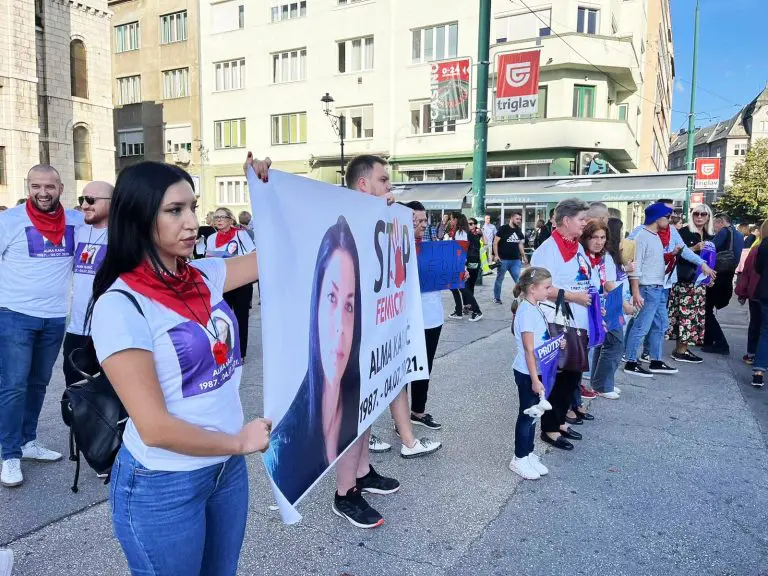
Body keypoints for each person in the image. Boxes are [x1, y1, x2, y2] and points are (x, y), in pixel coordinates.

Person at [88, 160, 272, 575]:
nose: (192, 222)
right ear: (138, 217)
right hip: (163, 481)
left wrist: (267, 193)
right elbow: (154, 427)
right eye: (175, 210)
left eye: (194, 207)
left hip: (224, 470)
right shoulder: (121, 305)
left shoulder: (203, 276)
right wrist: (239, 443)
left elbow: (280, 252)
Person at [264, 216, 362, 505]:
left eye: (349, 306)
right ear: (314, 303)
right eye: (331, 298)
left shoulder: (357, 402)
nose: (340, 327)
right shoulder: (283, 449)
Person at [0, 165, 84, 488]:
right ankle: (9, 454)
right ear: (28, 186)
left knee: (38, 383)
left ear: (61, 188)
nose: (43, 192)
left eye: (49, 186)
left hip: (54, 318)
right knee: (13, 385)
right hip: (14, 316)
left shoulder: (75, 221)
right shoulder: (10, 221)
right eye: (36, 186)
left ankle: (27, 440)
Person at [531, 198, 592, 451]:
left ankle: (561, 420)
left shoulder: (575, 246)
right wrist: (574, 296)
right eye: (581, 219)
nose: (585, 223)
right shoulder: (548, 250)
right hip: (557, 323)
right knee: (558, 376)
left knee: (572, 374)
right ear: (566, 221)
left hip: (577, 321)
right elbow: (540, 288)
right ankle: (550, 429)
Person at [63, 182, 113, 386]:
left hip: (111, 329)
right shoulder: (78, 231)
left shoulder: (126, 236)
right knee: (76, 396)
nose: (84, 205)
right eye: (82, 200)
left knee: (116, 397)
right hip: (78, 329)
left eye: (91, 200)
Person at [509, 266, 556, 480]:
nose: (550, 290)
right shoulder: (527, 311)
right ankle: (519, 458)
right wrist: (536, 380)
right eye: (546, 287)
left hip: (536, 371)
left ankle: (528, 453)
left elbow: (539, 340)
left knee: (535, 415)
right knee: (527, 415)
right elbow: (529, 349)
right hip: (528, 373)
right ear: (532, 288)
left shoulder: (534, 305)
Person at [623, 202, 680, 377]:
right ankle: (631, 361)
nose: (670, 221)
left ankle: (655, 360)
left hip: (657, 286)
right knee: (642, 326)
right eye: (668, 217)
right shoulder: (643, 236)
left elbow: (650, 260)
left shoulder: (654, 236)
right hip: (648, 287)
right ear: (658, 217)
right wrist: (636, 291)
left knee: (661, 324)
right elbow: (636, 265)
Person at [206, 207, 257, 360]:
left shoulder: (241, 234)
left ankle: (240, 353)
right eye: (216, 217)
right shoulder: (211, 238)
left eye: (222, 217)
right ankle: (223, 350)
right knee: (221, 317)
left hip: (241, 280)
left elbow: (253, 253)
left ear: (231, 219)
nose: (219, 220)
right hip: (221, 282)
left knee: (241, 317)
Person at [581, 219, 623, 400]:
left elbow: (606, 283)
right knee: (614, 342)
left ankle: (600, 383)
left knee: (605, 343)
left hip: (604, 306)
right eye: (594, 237)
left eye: (602, 237)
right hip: (591, 308)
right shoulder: (583, 257)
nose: (599, 241)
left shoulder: (601, 257)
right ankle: (601, 385)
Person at [666, 204, 713, 363]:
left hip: (700, 283)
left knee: (693, 318)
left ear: (708, 217)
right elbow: (678, 253)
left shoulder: (709, 235)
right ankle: (680, 351)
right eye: (696, 214)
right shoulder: (685, 232)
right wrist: (695, 247)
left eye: (703, 214)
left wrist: (710, 277)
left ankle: (684, 349)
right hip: (685, 281)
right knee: (684, 317)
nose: (699, 217)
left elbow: (712, 259)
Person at [702, 212, 744, 355]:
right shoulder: (738, 234)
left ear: (721, 222)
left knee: (707, 310)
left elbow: (710, 247)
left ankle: (721, 343)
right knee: (709, 308)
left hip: (717, 276)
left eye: (715, 223)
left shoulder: (724, 232)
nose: (714, 227)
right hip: (728, 275)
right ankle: (708, 340)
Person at [735, 219, 767, 369]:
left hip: (757, 292)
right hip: (758, 291)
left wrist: (742, 292)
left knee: (756, 324)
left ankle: (751, 353)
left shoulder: (757, 248)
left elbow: (747, 272)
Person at [449, 214, 483, 321]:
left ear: (456, 220)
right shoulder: (459, 232)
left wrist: (463, 268)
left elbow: (461, 251)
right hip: (458, 263)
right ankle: (459, 311)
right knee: (455, 286)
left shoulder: (461, 233)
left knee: (462, 287)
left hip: (460, 264)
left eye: (452, 219)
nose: (450, 221)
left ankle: (476, 310)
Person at [748, 223, 768, 388]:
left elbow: (759, 267)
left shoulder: (765, 243)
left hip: (766, 290)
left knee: (765, 331)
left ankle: (759, 372)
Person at [493, 212, 528, 305]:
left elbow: (520, 244)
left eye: (520, 219)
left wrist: (524, 256)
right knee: (499, 279)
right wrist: (496, 255)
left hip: (515, 260)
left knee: (518, 280)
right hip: (503, 259)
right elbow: (495, 242)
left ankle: (523, 298)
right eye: (517, 219)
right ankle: (497, 298)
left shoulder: (518, 230)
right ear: (512, 218)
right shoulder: (503, 228)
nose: (519, 221)